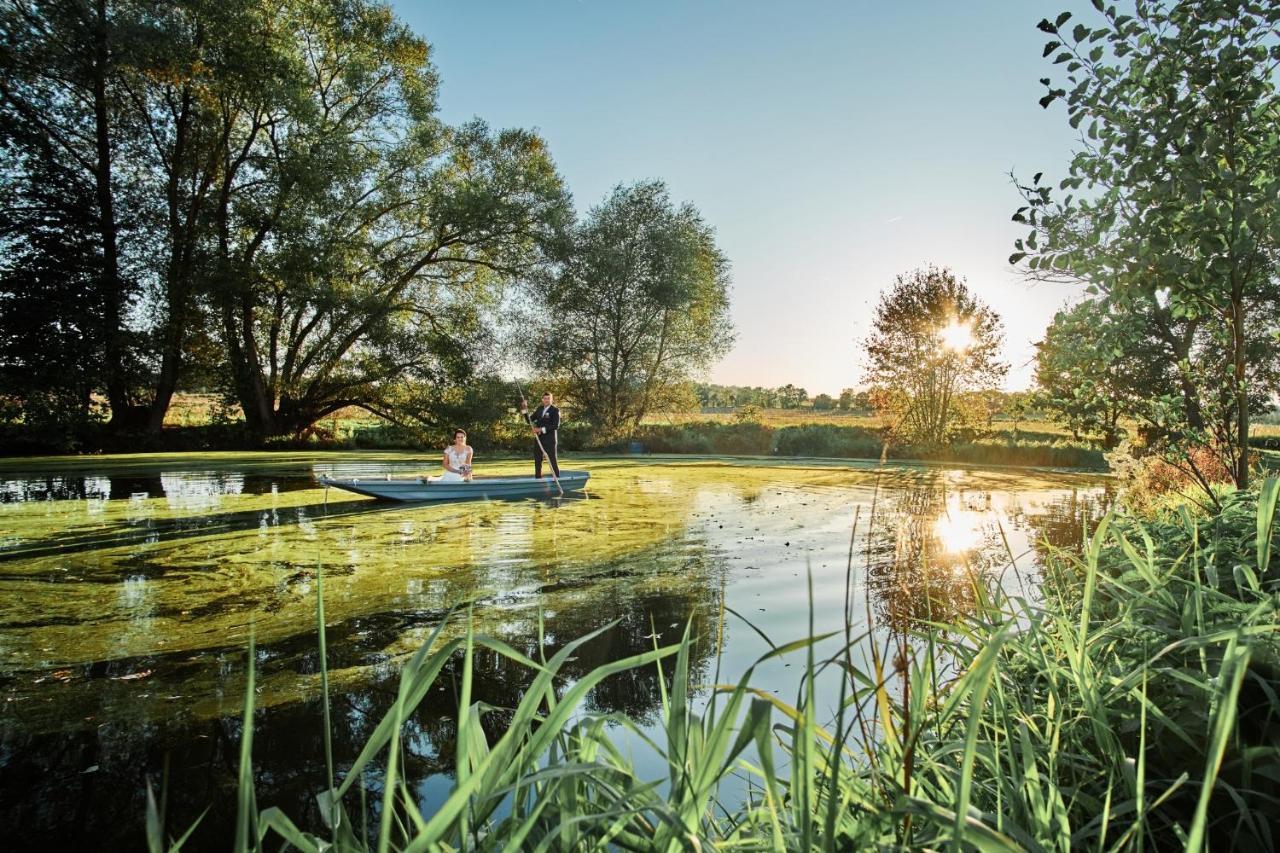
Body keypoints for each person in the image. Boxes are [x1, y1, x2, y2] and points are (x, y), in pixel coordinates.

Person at [520, 392, 560, 478]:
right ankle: (538, 478)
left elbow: (555, 425)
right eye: (545, 398)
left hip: (550, 439)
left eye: (548, 398)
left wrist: (541, 429)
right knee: (537, 459)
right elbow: (529, 421)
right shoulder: (539, 409)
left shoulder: (555, 410)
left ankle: (557, 478)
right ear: (542, 399)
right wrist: (524, 408)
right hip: (539, 439)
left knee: (552, 459)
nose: (546, 400)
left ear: (551, 399)